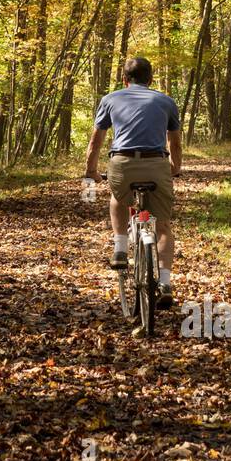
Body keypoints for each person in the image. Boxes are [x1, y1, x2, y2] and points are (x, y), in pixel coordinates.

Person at [84, 56, 181, 306]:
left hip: (122, 163)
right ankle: (166, 282)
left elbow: (96, 141)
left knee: (118, 197)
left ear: (125, 80)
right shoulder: (166, 101)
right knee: (163, 227)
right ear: (150, 79)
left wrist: (91, 171)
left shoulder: (110, 99)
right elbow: (175, 142)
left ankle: (120, 247)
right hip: (156, 163)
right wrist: (174, 168)